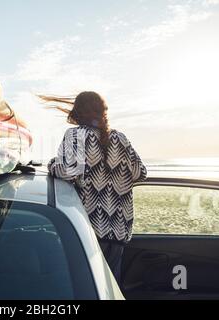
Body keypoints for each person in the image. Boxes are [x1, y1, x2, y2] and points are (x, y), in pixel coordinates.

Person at [43, 91, 147, 285]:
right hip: (118, 232)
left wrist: (51, 165)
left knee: (85, 286)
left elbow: (67, 171)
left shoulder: (75, 135)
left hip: (87, 230)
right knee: (108, 288)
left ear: (78, 111)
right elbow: (140, 173)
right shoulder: (120, 138)